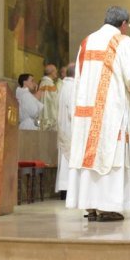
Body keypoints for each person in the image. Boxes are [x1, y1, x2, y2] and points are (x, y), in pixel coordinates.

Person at [65, 6, 130, 222]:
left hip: (86, 112)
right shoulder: (122, 42)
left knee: (90, 156)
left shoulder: (86, 42)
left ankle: (90, 206)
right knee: (109, 154)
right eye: (128, 25)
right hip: (111, 110)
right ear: (123, 24)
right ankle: (107, 206)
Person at [54, 63, 76, 198]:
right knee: (69, 159)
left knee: (65, 159)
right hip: (71, 128)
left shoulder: (63, 86)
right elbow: (73, 111)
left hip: (64, 128)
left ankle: (65, 188)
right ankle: (68, 189)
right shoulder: (72, 87)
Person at [36, 62, 59, 130]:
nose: (56, 73)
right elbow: (53, 102)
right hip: (50, 118)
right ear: (51, 72)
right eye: (55, 71)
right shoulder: (49, 84)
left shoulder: (42, 83)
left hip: (42, 116)